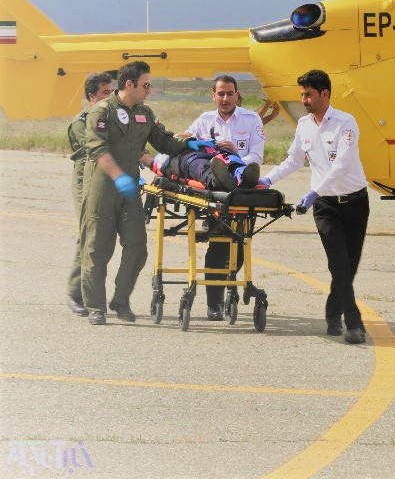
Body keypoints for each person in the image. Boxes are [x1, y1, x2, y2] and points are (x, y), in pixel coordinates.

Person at [81, 60, 212, 325]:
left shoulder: (145, 113)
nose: (149, 90)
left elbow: (164, 141)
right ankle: (96, 307)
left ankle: (120, 300)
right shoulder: (102, 111)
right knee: (98, 249)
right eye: (146, 85)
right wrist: (118, 177)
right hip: (103, 188)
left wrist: (191, 144)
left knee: (137, 247)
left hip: (129, 190)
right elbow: (97, 150)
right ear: (129, 84)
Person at [260, 69, 369, 344]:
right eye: (302, 94)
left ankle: (333, 312)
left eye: (308, 94)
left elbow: (342, 165)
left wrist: (312, 192)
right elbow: (294, 160)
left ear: (325, 94)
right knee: (339, 264)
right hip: (325, 207)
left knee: (348, 268)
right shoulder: (304, 125)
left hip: (355, 203)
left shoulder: (346, 123)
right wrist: (266, 180)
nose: (304, 99)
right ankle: (354, 324)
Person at [185, 75, 266, 321]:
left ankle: (229, 281)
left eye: (230, 93)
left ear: (237, 95)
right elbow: (188, 140)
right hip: (217, 193)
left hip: (242, 190)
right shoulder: (204, 120)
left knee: (240, 247)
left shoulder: (252, 120)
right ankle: (214, 302)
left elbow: (257, 155)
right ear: (213, 95)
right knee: (218, 245)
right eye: (220, 94)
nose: (225, 98)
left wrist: (236, 153)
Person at [65, 72, 116, 317]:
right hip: (86, 178)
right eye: (106, 93)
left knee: (104, 238)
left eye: (113, 92)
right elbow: (97, 150)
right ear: (91, 97)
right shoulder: (81, 122)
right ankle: (76, 293)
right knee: (88, 234)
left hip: (109, 178)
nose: (111, 97)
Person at [150, 145, 260, 191]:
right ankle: (216, 181)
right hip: (187, 157)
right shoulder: (160, 158)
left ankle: (244, 176)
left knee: (230, 158)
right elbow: (156, 164)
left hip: (212, 151)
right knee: (200, 166)